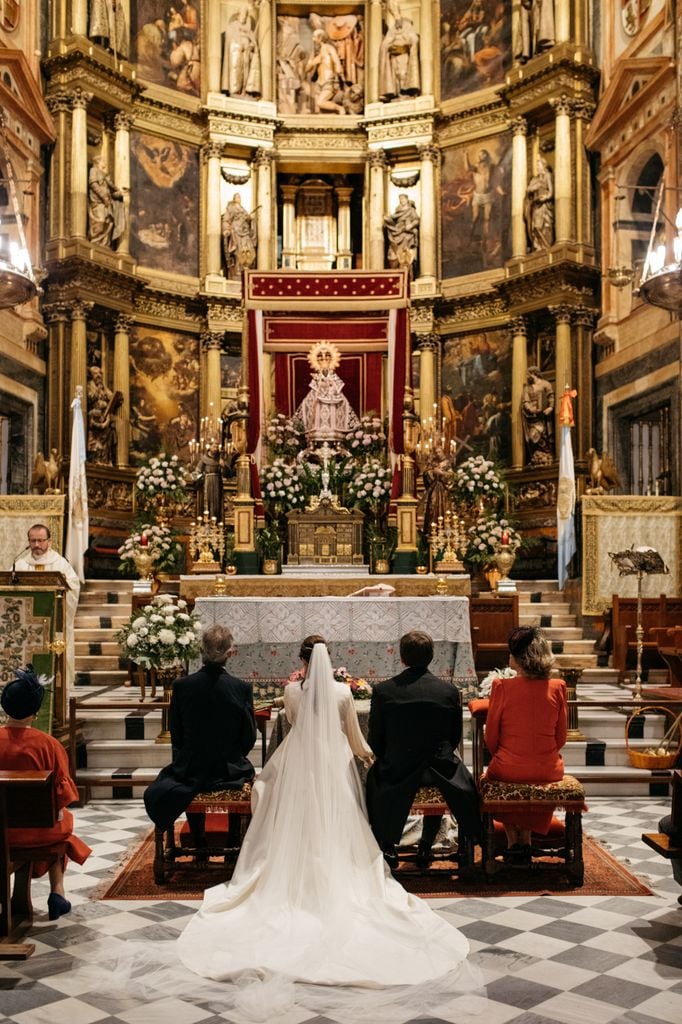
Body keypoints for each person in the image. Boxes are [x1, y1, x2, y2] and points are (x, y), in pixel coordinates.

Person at [176, 641, 473, 998]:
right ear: (328, 661)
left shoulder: (289, 691)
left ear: (302, 661)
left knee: (279, 799)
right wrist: (366, 757)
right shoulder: (343, 693)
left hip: (297, 759)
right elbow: (354, 735)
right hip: (334, 761)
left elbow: (296, 724)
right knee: (344, 811)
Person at [366, 631, 481, 871]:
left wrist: (395, 756)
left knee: (374, 779)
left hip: (398, 768)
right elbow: (454, 736)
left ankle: (387, 844)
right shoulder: (447, 691)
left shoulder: (384, 691)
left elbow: (376, 739)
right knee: (462, 781)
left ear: (402, 658)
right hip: (439, 769)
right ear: (431, 657)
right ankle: (427, 843)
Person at [143, 625, 256, 852]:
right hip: (230, 769)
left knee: (166, 782)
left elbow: (177, 733)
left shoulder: (182, 686)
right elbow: (249, 737)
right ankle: (233, 842)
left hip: (191, 768)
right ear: (230, 653)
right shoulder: (241, 688)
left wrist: (189, 757)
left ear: (201, 651)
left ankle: (199, 839)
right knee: (247, 773)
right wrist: (232, 754)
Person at [0, 666, 91, 919]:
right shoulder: (48, 745)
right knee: (60, 821)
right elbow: (64, 794)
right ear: (35, 712)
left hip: (1, 829)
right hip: (38, 832)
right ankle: (58, 892)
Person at [483, 626, 567, 865]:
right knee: (533, 774)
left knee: (500, 774)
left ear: (518, 659)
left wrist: (506, 755)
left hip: (508, 767)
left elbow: (491, 737)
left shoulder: (501, 687)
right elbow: (561, 737)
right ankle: (526, 840)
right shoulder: (558, 687)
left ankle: (513, 841)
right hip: (547, 768)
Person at [15, 524, 81, 692]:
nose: (36, 544)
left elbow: (73, 588)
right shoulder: (20, 565)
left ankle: (56, 694)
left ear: (49, 542)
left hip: (53, 624)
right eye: (33, 540)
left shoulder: (60, 565)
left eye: (40, 540)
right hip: (27, 626)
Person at [294, 340, 360, 443]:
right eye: (321, 358)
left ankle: (333, 427)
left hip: (333, 421)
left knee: (342, 402)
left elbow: (342, 401)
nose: (324, 360)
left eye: (327, 357)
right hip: (317, 422)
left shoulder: (334, 380)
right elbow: (309, 401)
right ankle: (316, 428)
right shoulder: (316, 380)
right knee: (309, 401)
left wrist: (330, 386)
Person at [378, 8, 421, 101]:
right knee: (396, 74)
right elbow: (385, 43)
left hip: (404, 54)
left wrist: (405, 46)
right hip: (394, 55)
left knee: (403, 73)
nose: (397, 20)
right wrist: (389, 47)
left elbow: (414, 39)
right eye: (394, 16)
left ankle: (405, 91)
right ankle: (397, 92)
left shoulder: (408, 26)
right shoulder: (392, 30)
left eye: (397, 16)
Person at [221, 3, 261, 97]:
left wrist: (252, 46)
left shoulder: (249, 30)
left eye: (246, 15)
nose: (244, 17)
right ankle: (235, 91)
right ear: (238, 15)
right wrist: (239, 45)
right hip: (235, 55)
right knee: (235, 73)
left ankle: (245, 91)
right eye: (242, 15)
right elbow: (230, 41)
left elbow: (254, 43)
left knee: (246, 73)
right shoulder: (232, 26)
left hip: (246, 56)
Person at [88, 156, 126, 248]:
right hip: (98, 202)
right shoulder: (94, 170)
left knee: (109, 222)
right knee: (100, 221)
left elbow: (111, 186)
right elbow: (93, 184)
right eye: (103, 161)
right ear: (98, 162)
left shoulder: (105, 175)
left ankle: (104, 244)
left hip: (107, 203)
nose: (105, 163)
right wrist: (103, 196)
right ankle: (95, 241)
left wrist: (119, 192)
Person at [306, 28, 345, 114]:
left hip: (329, 81)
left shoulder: (329, 48)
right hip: (318, 83)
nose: (313, 39)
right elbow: (307, 69)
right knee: (318, 108)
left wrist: (339, 72)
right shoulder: (316, 53)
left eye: (314, 37)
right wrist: (311, 60)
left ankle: (340, 108)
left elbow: (336, 60)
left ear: (320, 38)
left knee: (320, 103)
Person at [521, 365, 555, 465]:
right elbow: (525, 401)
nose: (527, 377)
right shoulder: (527, 388)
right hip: (532, 417)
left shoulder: (546, 384)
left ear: (534, 374)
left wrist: (550, 407)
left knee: (544, 436)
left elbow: (550, 397)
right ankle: (535, 455)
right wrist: (530, 408)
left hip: (544, 416)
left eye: (529, 374)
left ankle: (546, 454)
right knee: (532, 437)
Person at [220, 193, 257, 279]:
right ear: (234, 198)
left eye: (240, 197)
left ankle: (246, 269)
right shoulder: (230, 208)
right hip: (236, 231)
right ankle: (237, 271)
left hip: (245, 231)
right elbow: (226, 220)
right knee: (238, 251)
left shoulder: (243, 209)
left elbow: (247, 219)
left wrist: (250, 219)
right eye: (237, 197)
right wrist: (226, 230)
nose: (239, 198)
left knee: (248, 249)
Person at [384, 193, 420, 274]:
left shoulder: (411, 210)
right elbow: (393, 219)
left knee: (406, 254)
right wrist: (388, 220)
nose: (402, 201)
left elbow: (416, 220)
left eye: (403, 199)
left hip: (407, 233)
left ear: (407, 200)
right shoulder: (397, 210)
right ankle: (395, 269)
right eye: (400, 199)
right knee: (393, 252)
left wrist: (410, 225)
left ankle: (407, 269)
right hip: (397, 232)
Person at [525, 156, 554, 250]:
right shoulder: (535, 179)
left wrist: (545, 197)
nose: (537, 167)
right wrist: (535, 187)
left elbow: (551, 192)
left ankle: (547, 246)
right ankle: (538, 246)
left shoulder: (548, 175)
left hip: (545, 205)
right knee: (536, 226)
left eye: (538, 165)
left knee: (546, 225)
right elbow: (528, 189)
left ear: (543, 165)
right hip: (536, 205)